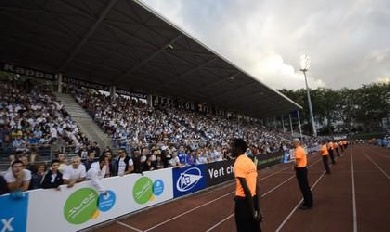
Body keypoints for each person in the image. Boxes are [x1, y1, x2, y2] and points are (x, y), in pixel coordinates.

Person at [232, 138, 262, 232]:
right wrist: (257, 210)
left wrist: (253, 212)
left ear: (238, 149)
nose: (231, 149)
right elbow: (257, 187)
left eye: (233, 147)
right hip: (253, 199)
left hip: (243, 203)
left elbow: (246, 190)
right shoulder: (250, 162)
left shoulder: (238, 163)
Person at [293, 138, 313, 210]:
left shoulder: (298, 150)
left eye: (294, 142)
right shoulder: (300, 149)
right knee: (305, 186)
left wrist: (294, 166)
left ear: (296, 142)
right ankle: (307, 201)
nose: (293, 143)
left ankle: (308, 203)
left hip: (301, 169)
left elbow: (297, 162)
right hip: (302, 169)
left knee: (304, 187)